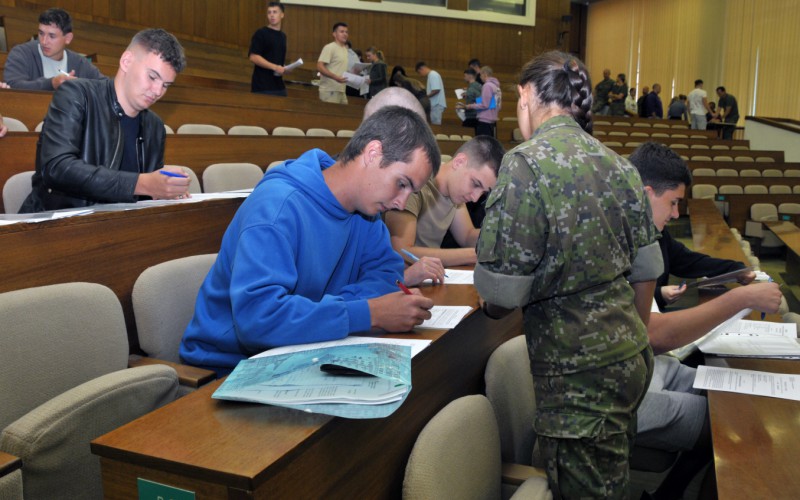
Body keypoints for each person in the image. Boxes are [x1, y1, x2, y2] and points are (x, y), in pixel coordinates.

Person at [475, 51, 662, 499]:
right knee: (611, 480)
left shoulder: (525, 164)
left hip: (578, 382)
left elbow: (502, 299)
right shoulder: (619, 164)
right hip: (630, 360)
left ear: (525, 95)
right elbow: (646, 272)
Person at [180, 106, 441, 374]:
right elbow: (258, 320)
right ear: (373, 153)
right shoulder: (276, 207)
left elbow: (386, 275)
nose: (401, 202)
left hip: (308, 349)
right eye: (401, 183)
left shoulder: (368, 213)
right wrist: (367, 313)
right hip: (228, 368)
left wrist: (330, 313)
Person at [629, 141, 782, 500]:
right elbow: (653, 334)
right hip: (623, 392)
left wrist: (738, 275)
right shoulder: (621, 243)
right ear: (647, 193)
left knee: (730, 391)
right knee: (732, 420)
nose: (678, 214)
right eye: (673, 203)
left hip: (646, 369)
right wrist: (741, 297)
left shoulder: (643, 236)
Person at [19, 29, 188, 213]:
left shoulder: (155, 127)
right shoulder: (75, 95)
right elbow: (57, 168)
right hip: (56, 226)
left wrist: (165, 189)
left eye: (165, 85)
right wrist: (141, 183)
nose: (157, 91)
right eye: (153, 77)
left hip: (119, 228)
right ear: (126, 61)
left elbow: (147, 196)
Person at [384, 136, 504, 267]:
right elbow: (402, 251)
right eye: (475, 184)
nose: (475, 198)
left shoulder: (455, 193)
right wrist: (475, 254)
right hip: (399, 280)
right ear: (459, 162)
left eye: (483, 192)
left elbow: (467, 236)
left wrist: (501, 237)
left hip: (429, 277)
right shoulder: (417, 184)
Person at [4, 8, 103, 91]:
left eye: (52, 36)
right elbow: (13, 86)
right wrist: (51, 84)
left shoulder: (80, 63)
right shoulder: (21, 53)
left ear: (68, 38)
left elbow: (104, 85)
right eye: (41, 33)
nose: (44, 41)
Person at [248, 1, 290, 97]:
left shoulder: (283, 36)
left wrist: (285, 68)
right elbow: (253, 56)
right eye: (269, 12)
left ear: (282, 15)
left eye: (275, 12)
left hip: (279, 86)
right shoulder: (261, 33)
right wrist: (275, 67)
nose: (271, 15)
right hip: (262, 86)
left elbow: (277, 59)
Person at [316, 22, 350, 104]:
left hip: (341, 90)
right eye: (342, 32)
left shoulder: (345, 49)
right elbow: (319, 66)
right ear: (334, 34)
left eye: (346, 32)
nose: (345, 34)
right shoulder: (330, 47)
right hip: (329, 90)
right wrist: (335, 77)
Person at [466, 66, 500, 137]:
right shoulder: (496, 87)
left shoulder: (487, 86)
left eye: (481, 75)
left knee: (482, 145)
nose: (480, 77)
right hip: (492, 120)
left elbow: (485, 105)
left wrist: (471, 106)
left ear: (485, 74)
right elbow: (498, 105)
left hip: (484, 120)